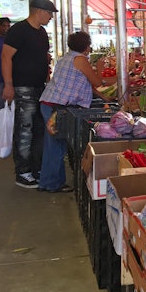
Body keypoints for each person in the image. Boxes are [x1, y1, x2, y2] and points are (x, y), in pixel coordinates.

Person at [38, 31, 104, 193]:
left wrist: (104, 96)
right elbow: (96, 81)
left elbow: (87, 84)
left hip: (51, 104)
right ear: (87, 47)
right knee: (56, 146)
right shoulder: (80, 60)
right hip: (56, 107)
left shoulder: (67, 57)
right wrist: (101, 68)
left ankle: (47, 182)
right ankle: (52, 184)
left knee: (53, 144)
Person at [2, 0, 57, 189]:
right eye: (50, 13)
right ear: (39, 11)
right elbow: (6, 57)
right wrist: (8, 85)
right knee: (25, 129)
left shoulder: (41, 33)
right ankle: (23, 172)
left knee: (40, 128)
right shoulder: (18, 30)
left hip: (40, 86)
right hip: (23, 86)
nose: (51, 17)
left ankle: (36, 168)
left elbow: (42, 57)